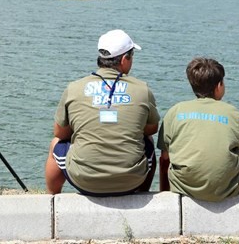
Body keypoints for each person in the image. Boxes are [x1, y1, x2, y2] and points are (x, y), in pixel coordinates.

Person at [44, 29, 160, 196]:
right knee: (147, 140)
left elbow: (60, 132)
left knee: (56, 143)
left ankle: (51, 196)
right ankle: (142, 193)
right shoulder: (142, 89)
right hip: (131, 181)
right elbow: (151, 129)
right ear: (124, 59)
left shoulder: (74, 88)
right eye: (132, 55)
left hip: (83, 180)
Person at [157, 57, 239, 202]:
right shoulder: (232, 113)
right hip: (227, 190)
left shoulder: (175, 111)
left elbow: (165, 157)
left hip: (183, 187)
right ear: (219, 86)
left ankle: (164, 194)